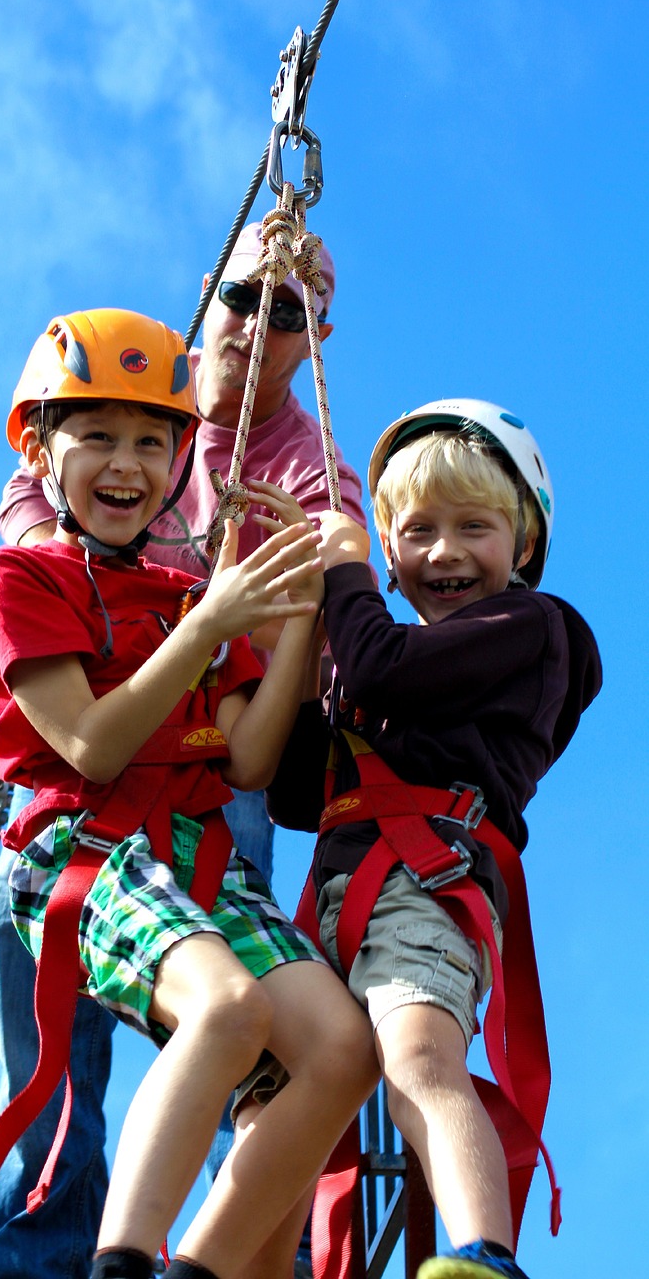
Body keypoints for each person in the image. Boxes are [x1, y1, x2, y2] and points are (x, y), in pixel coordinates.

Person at [0, 224, 367, 1279]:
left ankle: (203, 1260)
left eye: (286, 312)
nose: (254, 324)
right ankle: (85, 1259)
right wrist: (155, 609)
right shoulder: (57, 539)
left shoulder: (297, 471)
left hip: (196, 805)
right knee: (128, 1040)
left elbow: (250, 756)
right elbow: (90, 739)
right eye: (243, 297)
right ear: (212, 296)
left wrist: (278, 611)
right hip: (82, 822)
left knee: (319, 1048)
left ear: (314, 337)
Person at [267, 400, 602, 1279]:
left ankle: (482, 1256)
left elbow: (381, 665)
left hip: (427, 878)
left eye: (472, 528)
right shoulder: (383, 662)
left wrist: (344, 582)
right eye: (416, 532)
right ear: (389, 546)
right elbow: (297, 791)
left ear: (523, 546)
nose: (443, 551)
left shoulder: (533, 630)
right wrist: (305, 649)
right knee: (275, 1084)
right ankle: (252, 1256)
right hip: (342, 887)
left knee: (418, 1052)